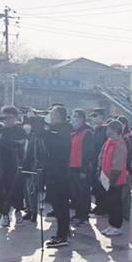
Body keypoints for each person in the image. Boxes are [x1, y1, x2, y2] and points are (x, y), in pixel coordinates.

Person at [44, 105, 73, 248]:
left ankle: (62, 236)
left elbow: (56, 143)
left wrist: (45, 131)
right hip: (54, 171)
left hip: (61, 173)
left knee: (61, 204)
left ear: (61, 116)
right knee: (57, 204)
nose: (52, 117)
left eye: (54, 115)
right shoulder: (55, 129)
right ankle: (63, 231)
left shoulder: (65, 129)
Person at [0, 106, 25, 226]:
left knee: (17, 189)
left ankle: (18, 211)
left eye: (9, 117)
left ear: (15, 117)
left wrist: (1, 139)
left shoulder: (19, 130)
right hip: (1, 164)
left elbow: (19, 143)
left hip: (15, 163)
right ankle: (4, 214)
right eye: (4, 117)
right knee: (2, 189)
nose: (6, 120)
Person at [100, 119, 129, 236]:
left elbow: (118, 164)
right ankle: (111, 224)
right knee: (110, 202)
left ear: (116, 130)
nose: (107, 131)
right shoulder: (109, 142)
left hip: (115, 179)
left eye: (109, 129)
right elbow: (102, 156)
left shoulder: (120, 144)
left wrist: (112, 179)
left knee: (116, 202)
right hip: (106, 177)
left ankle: (116, 226)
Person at [69, 109, 95, 225]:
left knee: (83, 192)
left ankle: (83, 215)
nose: (75, 119)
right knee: (76, 192)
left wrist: (84, 169)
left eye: (77, 117)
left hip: (82, 168)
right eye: (73, 116)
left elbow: (88, 153)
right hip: (73, 166)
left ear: (83, 119)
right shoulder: (74, 133)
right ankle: (78, 213)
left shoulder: (87, 133)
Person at [89, 108, 109, 215]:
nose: (93, 118)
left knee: (102, 185)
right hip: (94, 160)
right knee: (96, 185)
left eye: (95, 116)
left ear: (102, 117)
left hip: (102, 161)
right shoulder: (95, 130)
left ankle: (103, 207)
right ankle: (98, 205)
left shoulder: (106, 130)